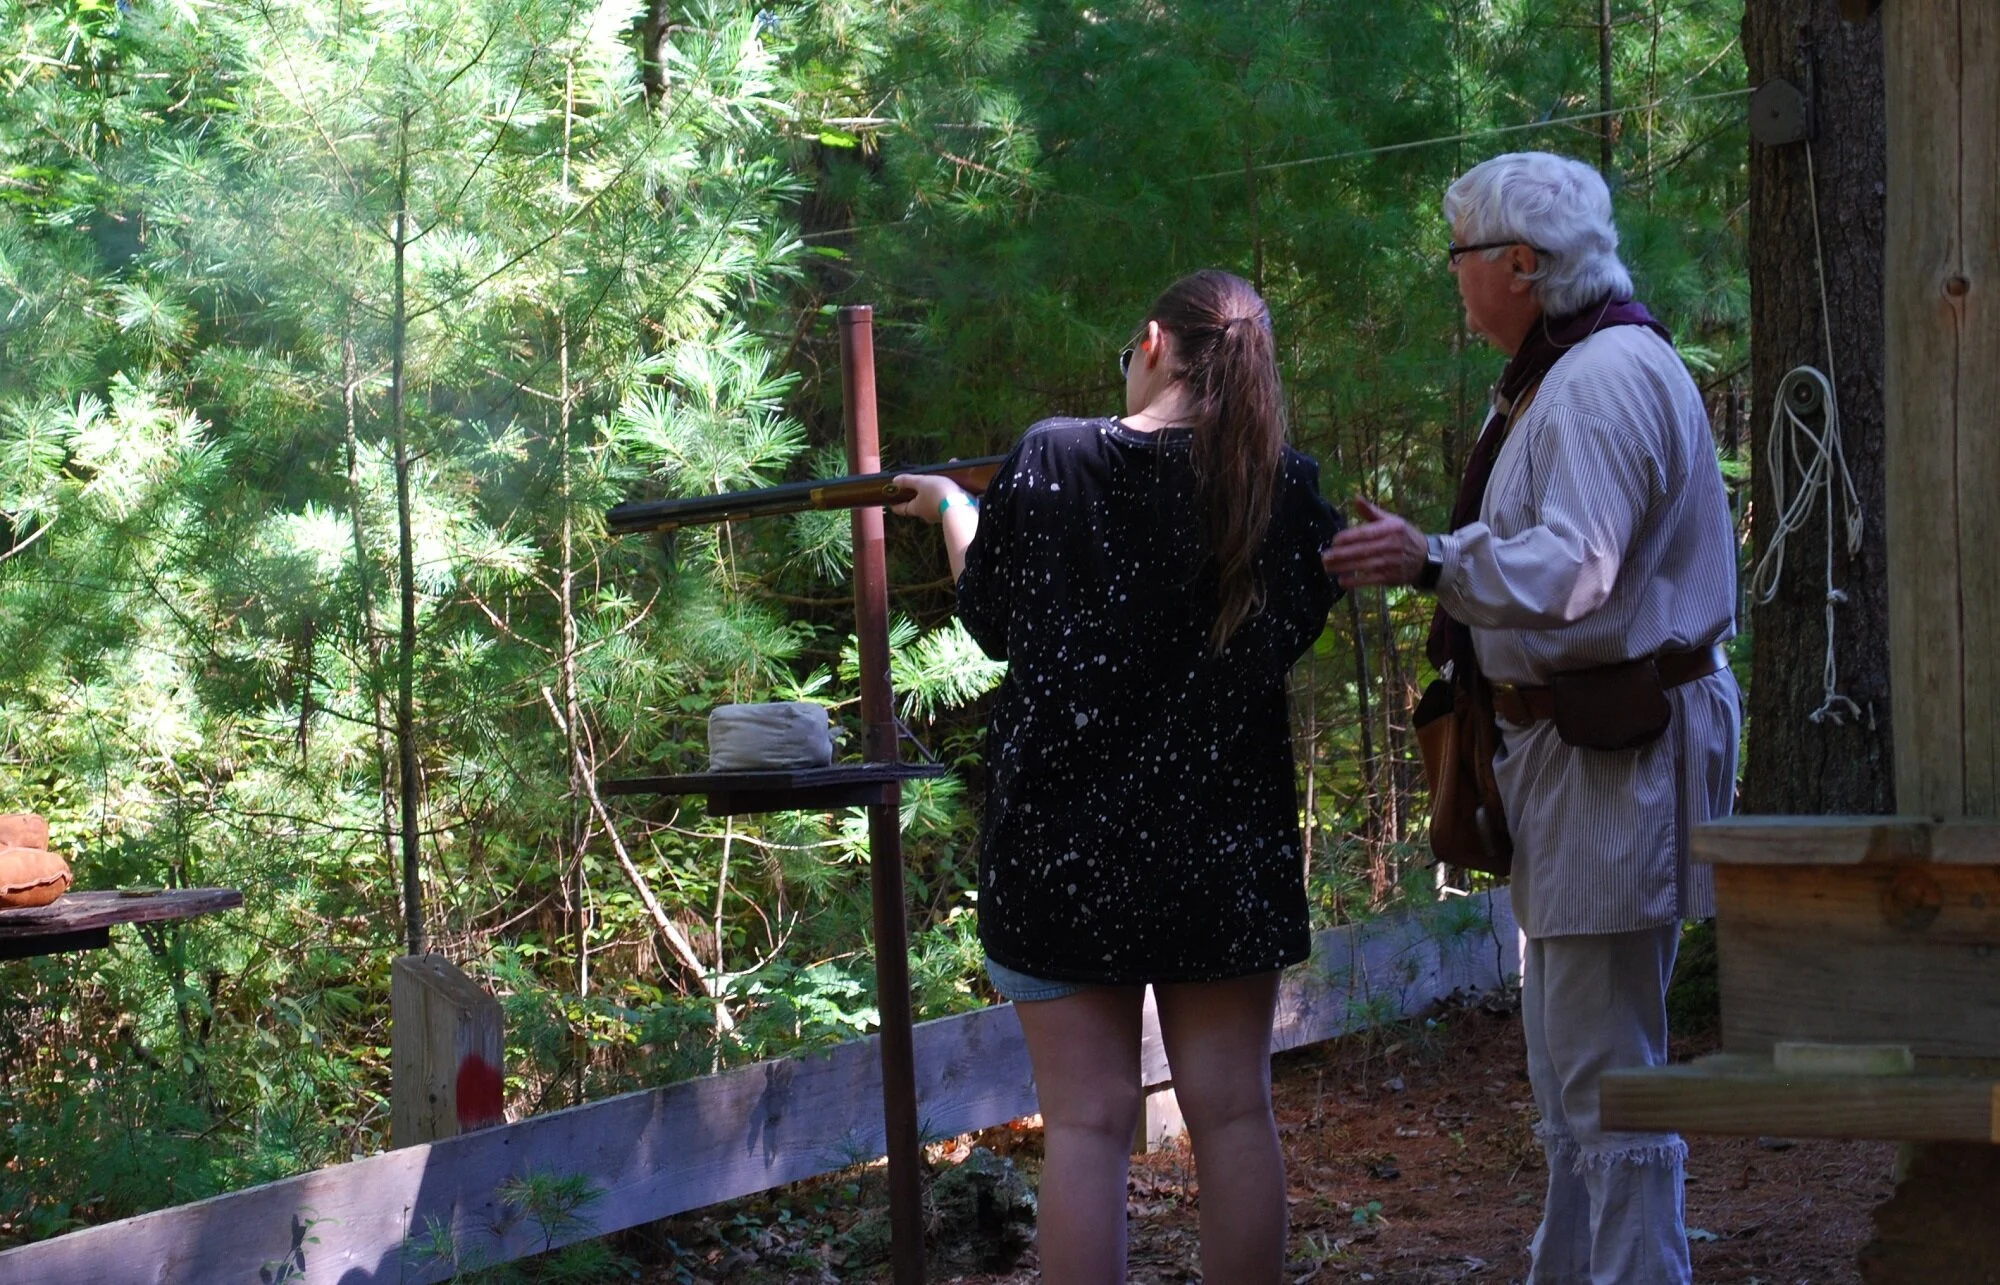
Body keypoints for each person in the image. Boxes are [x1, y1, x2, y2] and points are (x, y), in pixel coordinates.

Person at [1324, 151, 1738, 1284]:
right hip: (1575, 756)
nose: (1451, 280)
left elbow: (1578, 571)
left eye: (1458, 256)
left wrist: (1430, 560)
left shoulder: (1599, 378)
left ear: (1518, 262)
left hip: (1616, 754)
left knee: (1607, 1071)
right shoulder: (1559, 369)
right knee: (1570, 1066)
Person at [891, 269, 1342, 1285]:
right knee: (1232, 1113)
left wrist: (957, 509)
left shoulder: (1053, 457)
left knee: (1085, 1129)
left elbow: (995, 620)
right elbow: (1289, 634)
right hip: (1221, 851)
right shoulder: (1280, 487)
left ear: (1151, 342)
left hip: (1059, 847)